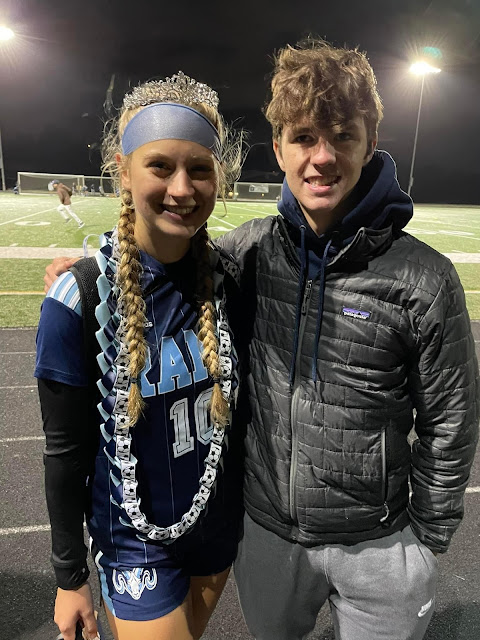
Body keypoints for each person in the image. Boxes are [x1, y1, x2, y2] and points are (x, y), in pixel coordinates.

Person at [43, 40, 480, 640]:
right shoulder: (249, 251)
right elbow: (166, 256)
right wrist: (86, 272)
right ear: (278, 149)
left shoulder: (424, 278)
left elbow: (452, 421)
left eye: (343, 136)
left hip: (379, 546)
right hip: (268, 536)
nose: (322, 157)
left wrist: (426, 541)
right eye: (304, 137)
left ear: (370, 143)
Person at [36, 71, 244, 640]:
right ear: (123, 171)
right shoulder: (80, 297)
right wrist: (69, 577)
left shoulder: (232, 279)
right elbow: (64, 453)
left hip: (215, 526)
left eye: (199, 168)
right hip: (134, 544)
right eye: (160, 166)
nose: (182, 188)